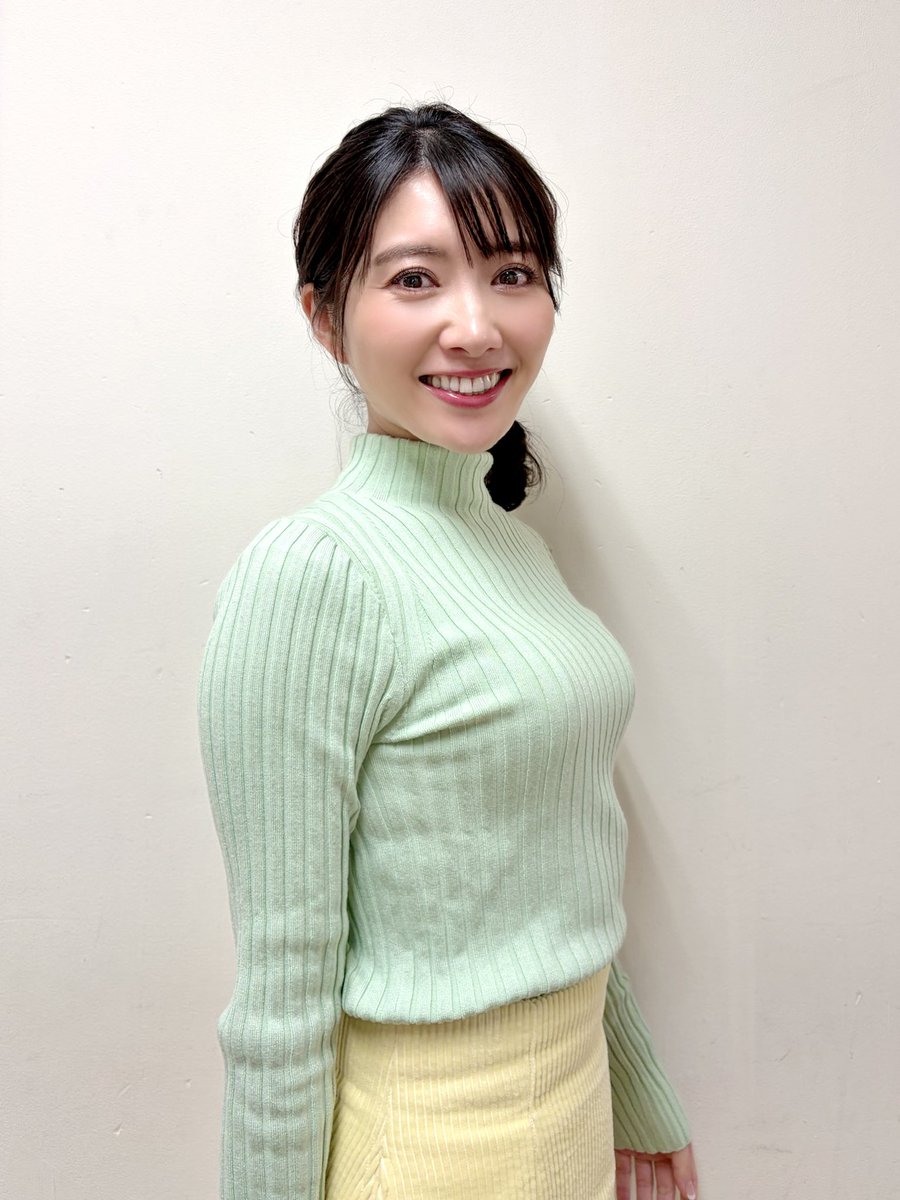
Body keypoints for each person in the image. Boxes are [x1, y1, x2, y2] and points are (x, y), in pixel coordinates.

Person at [197, 100, 700, 1200]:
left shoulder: (511, 545)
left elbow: (556, 856)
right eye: (416, 279)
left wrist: (638, 1093)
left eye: (511, 273)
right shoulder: (312, 574)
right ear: (326, 317)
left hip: (568, 1124)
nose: (475, 326)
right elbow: (280, 1004)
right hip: (430, 1155)